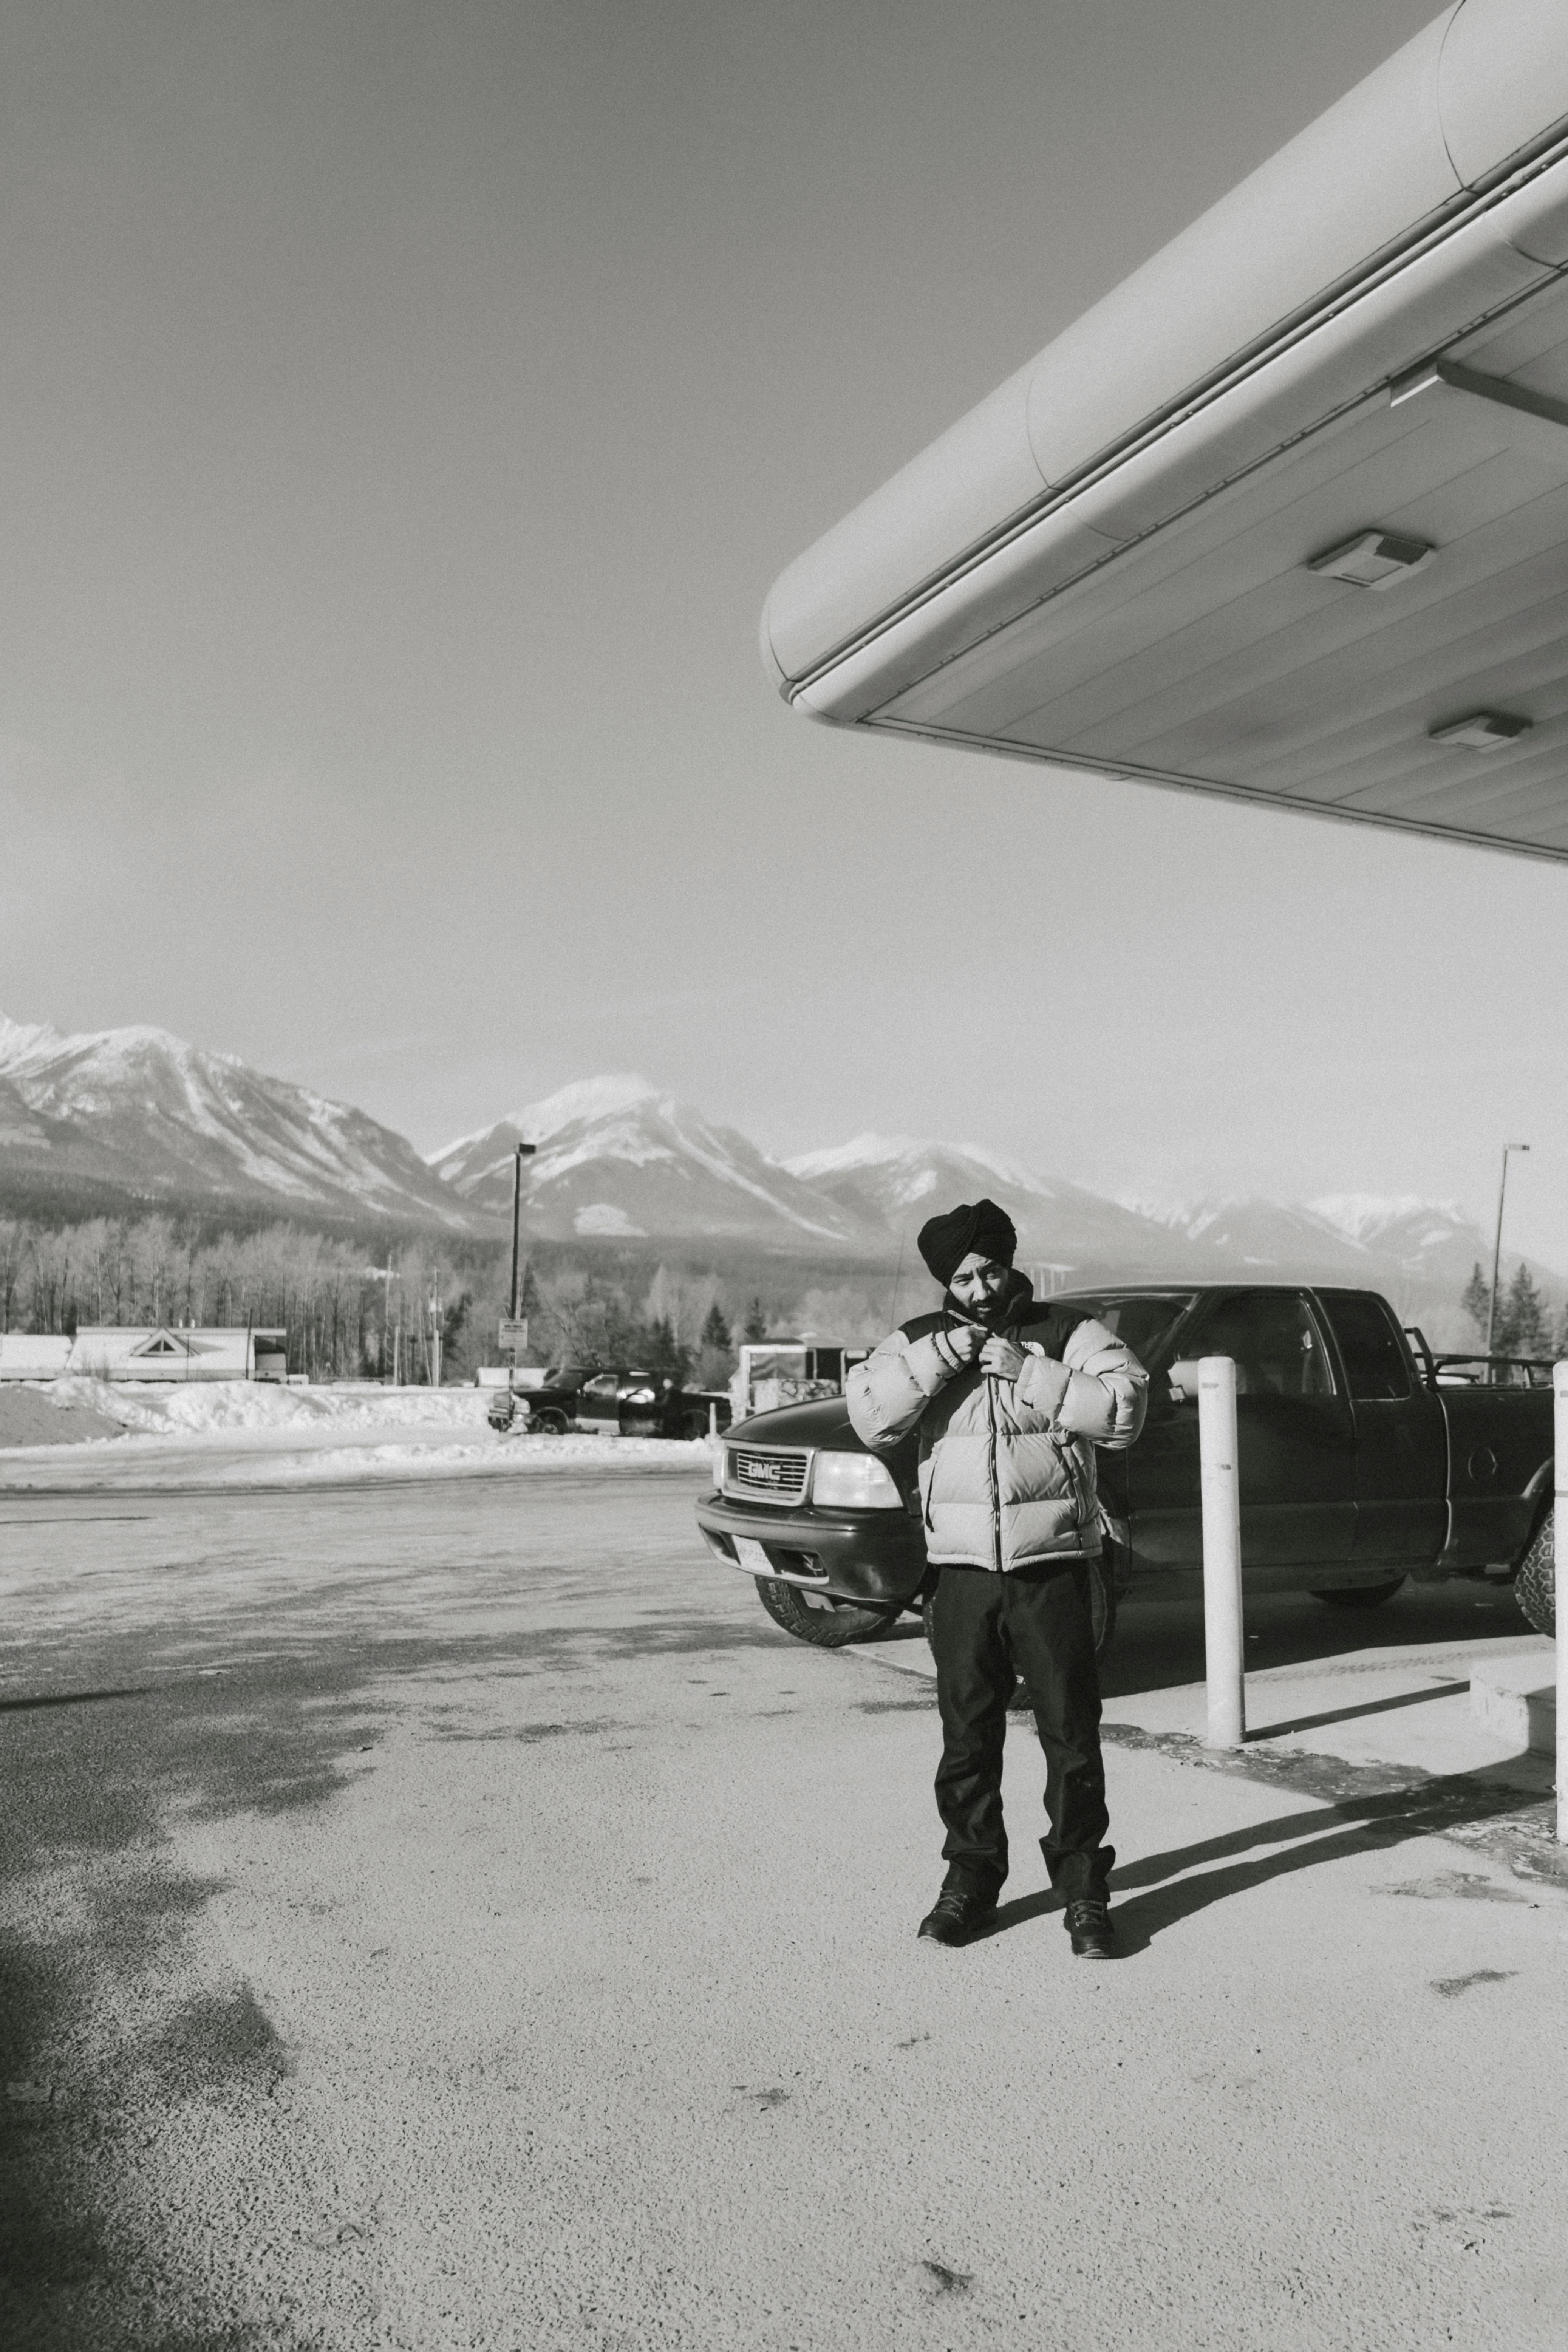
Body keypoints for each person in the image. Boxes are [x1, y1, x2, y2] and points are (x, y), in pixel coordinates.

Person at [846, 1198, 1147, 1958]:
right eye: (962, 1278)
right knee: (966, 1739)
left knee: (1071, 1737)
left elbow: (1124, 1411)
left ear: (1011, 1264)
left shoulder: (1068, 1331)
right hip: (960, 1574)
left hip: (1053, 1567)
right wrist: (937, 1359)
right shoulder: (917, 1338)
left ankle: (1083, 1890)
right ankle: (971, 1881)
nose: (979, 1290)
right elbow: (872, 1416)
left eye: (989, 1272)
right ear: (944, 1281)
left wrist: (1029, 1371)